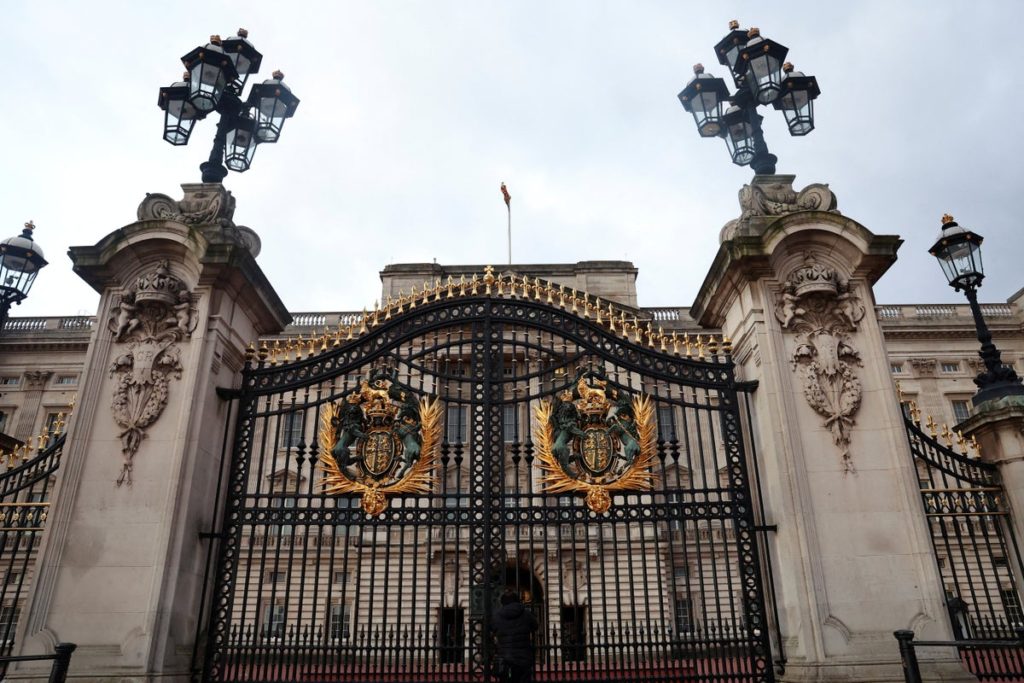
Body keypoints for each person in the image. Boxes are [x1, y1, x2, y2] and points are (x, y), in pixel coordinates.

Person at [492, 589, 538, 682]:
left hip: (506, 658)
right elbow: (535, 626)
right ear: (517, 600)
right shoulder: (526, 614)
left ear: (502, 602)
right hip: (523, 658)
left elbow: (491, 629)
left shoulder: (497, 615)